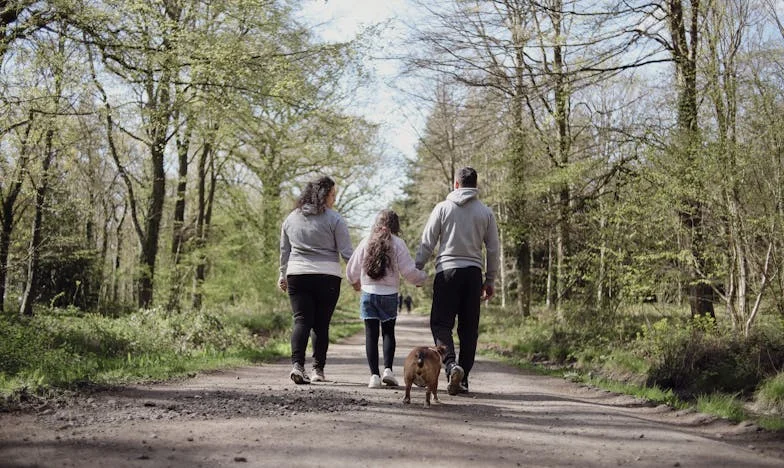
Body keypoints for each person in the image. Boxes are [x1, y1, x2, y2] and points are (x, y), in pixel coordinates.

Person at [415, 167, 500, 395]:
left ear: (456, 184)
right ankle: (463, 379)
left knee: (441, 324)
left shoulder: (442, 208)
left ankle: (451, 365)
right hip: (473, 274)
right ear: (475, 185)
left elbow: (427, 241)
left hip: (447, 273)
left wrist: (417, 267)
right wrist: (490, 279)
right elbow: (493, 249)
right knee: (469, 329)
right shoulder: (485, 212)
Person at [279, 176, 353, 384]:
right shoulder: (334, 219)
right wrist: (356, 276)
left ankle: (297, 366)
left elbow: (285, 251)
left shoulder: (291, 219)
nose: (334, 200)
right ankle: (318, 371)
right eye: (332, 195)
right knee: (321, 325)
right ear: (324, 195)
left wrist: (281, 274)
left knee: (301, 320)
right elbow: (347, 253)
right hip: (327, 277)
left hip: (297, 274)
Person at [346, 209, 427, 388]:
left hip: (368, 293)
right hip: (389, 294)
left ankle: (374, 376)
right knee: (389, 332)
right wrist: (421, 278)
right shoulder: (398, 243)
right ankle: (388, 371)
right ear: (395, 225)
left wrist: (355, 283)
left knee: (371, 335)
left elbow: (352, 269)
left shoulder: (366, 242)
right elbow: (408, 271)